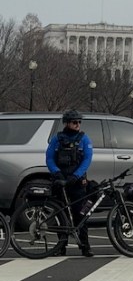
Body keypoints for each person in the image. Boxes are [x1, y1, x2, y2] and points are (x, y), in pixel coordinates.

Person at [46, 109, 94, 257]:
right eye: (75, 122)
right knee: (61, 215)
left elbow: (87, 159)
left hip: (77, 182)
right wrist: (56, 172)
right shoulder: (56, 139)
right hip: (60, 181)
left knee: (81, 214)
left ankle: (85, 246)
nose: (78, 124)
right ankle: (61, 246)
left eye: (79, 122)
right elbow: (49, 158)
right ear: (67, 123)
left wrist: (76, 175)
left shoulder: (84, 139)